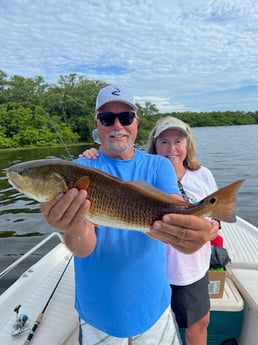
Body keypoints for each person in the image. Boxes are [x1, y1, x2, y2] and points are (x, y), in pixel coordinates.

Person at [40, 85, 212, 345]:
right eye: (107, 119)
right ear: (97, 124)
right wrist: (72, 228)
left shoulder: (159, 165)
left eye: (126, 117)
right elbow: (84, 247)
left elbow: (174, 205)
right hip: (99, 311)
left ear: (136, 123)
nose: (117, 125)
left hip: (154, 305)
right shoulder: (79, 169)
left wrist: (188, 230)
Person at [146, 116, 220, 345]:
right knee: (147, 329)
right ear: (154, 146)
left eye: (178, 140)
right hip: (152, 269)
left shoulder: (203, 175)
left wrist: (216, 224)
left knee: (198, 323)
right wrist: (93, 152)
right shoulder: (143, 176)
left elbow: (217, 211)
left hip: (191, 270)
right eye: (164, 142)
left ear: (188, 145)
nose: (172, 148)